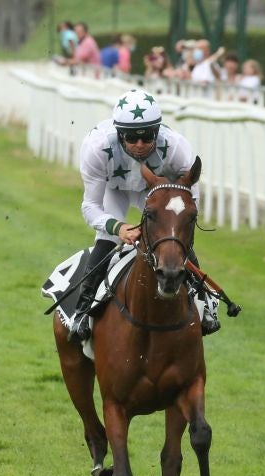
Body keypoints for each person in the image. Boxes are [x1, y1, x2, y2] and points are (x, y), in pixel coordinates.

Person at [69, 89, 218, 342]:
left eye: (147, 136)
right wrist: (118, 228)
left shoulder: (177, 147)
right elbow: (90, 206)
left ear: (157, 131)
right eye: (131, 137)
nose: (139, 145)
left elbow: (190, 204)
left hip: (155, 192)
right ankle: (82, 312)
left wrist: (173, 228)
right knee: (107, 240)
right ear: (119, 133)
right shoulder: (95, 147)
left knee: (173, 239)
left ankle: (206, 302)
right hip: (113, 191)